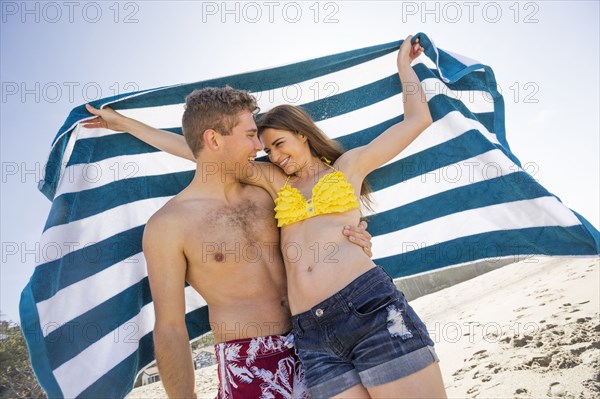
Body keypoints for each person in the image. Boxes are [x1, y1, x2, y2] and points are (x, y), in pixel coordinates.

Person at [87, 35, 448, 398]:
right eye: (262, 144)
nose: (270, 154)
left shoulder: (348, 167)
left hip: (363, 303)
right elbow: (202, 152)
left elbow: (417, 119)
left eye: (278, 144)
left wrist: (404, 67)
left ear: (303, 135)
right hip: (312, 331)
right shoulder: (275, 183)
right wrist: (128, 125)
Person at [82, 89, 373, 399]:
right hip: (251, 361)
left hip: (320, 339)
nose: (260, 146)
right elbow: (170, 327)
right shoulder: (168, 226)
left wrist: (351, 237)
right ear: (215, 140)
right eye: (250, 135)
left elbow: (319, 223)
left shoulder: (271, 186)